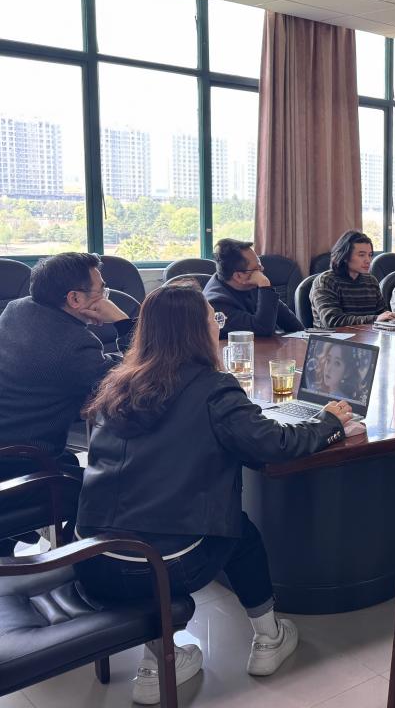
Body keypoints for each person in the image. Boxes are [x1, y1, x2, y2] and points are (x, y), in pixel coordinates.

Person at [74, 284, 362, 704]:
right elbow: (275, 445)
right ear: (198, 330)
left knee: (149, 527)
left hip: (91, 559)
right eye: (215, 319)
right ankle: (269, 638)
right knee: (241, 534)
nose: (218, 326)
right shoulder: (213, 388)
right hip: (161, 568)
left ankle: (158, 661)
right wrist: (328, 422)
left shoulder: (119, 383)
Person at [0, 252, 135, 556]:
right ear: (75, 298)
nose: (106, 295)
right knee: (108, 491)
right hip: (20, 464)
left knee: (75, 466)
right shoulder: (72, 346)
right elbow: (135, 375)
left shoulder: (17, 309)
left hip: (9, 445)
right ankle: (78, 562)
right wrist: (121, 320)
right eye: (102, 289)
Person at [204, 238, 303, 337]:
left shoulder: (250, 285)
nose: (262, 269)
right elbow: (262, 330)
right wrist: (264, 285)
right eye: (257, 268)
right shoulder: (216, 304)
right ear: (238, 276)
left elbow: (295, 327)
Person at [310, 231, 395, 327]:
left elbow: (382, 314)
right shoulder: (326, 281)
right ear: (345, 257)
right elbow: (332, 321)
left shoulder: (371, 281)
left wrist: (391, 318)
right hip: (333, 336)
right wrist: (375, 319)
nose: (368, 260)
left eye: (370, 255)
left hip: (367, 335)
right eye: (361, 255)